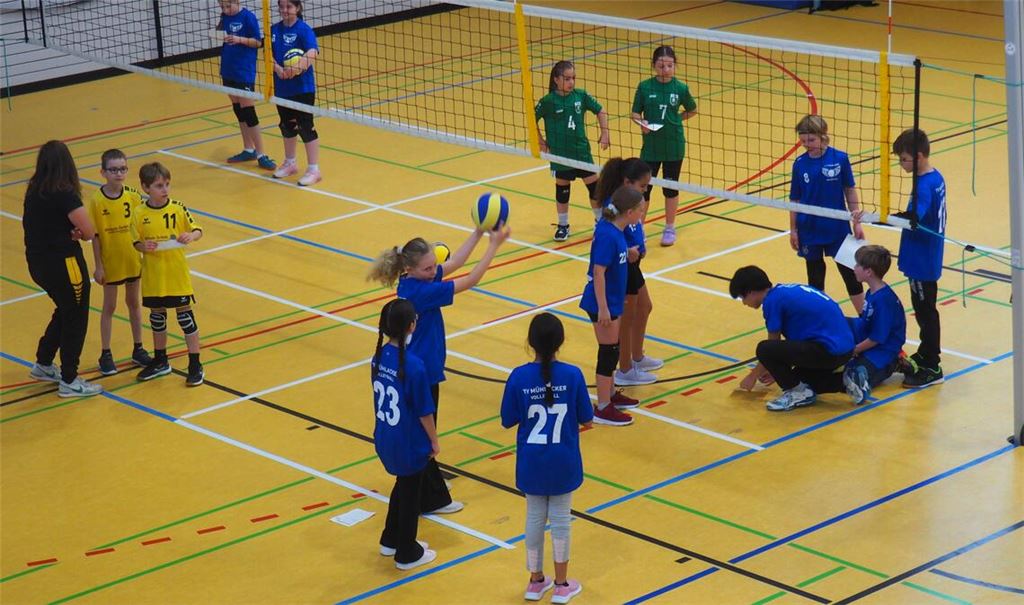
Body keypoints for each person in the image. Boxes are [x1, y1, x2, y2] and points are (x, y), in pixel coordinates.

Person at [367, 225, 511, 514]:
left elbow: (456, 262)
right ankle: (432, 498)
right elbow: (469, 279)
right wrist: (494, 246)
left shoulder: (413, 280)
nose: (434, 271)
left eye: (434, 266)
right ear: (409, 267)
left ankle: (430, 486)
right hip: (422, 368)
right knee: (425, 429)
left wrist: (479, 231)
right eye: (428, 268)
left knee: (424, 430)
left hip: (421, 364)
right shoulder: (423, 291)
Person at [501, 313, 591, 604]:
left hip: (531, 462)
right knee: (561, 520)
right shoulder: (573, 375)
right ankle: (562, 584)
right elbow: (587, 418)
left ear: (530, 343)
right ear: (560, 342)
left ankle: (536, 581)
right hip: (563, 461)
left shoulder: (518, 377)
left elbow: (508, 418)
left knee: (534, 518)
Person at [23, 140, 102, 397]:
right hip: (64, 264)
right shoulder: (64, 193)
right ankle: (70, 378)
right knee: (76, 315)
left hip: (37, 263)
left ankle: (44, 363)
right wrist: (78, 233)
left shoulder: (34, 190)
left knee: (66, 309)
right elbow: (89, 231)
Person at [372, 298, 439, 571]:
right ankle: (406, 552)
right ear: (412, 325)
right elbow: (424, 410)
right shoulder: (413, 366)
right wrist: (434, 440)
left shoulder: (379, 357)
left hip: (385, 434)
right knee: (411, 492)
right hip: (408, 441)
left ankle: (390, 538)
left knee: (404, 484)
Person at [730, 265, 854, 412]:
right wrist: (776, 371)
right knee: (799, 379)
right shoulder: (786, 291)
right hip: (845, 350)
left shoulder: (772, 302)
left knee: (764, 349)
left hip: (827, 350)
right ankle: (847, 381)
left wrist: (753, 376)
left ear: (751, 292)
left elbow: (772, 345)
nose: (744, 303)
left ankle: (797, 393)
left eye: (743, 298)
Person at [131, 162, 205, 387]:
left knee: (184, 316)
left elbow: (197, 229)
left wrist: (190, 236)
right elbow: (136, 243)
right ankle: (161, 360)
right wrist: (145, 246)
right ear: (145, 188)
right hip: (154, 276)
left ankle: (195, 364)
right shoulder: (139, 213)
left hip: (176, 274)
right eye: (159, 186)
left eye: (167, 185)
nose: (165, 190)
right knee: (157, 317)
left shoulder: (177, 208)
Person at [593, 158, 660, 391]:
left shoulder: (631, 201)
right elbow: (609, 234)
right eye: (642, 186)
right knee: (628, 316)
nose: (645, 190)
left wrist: (641, 244)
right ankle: (624, 370)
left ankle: (637, 357)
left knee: (645, 307)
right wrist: (628, 249)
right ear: (627, 182)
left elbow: (634, 227)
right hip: (623, 266)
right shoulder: (616, 205)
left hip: (632, 263)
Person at [580, 187, 645, 426]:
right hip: (602, 302)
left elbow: (611, 254)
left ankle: (611, 393)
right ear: (629, 212)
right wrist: (604, 308)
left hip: (612, 299)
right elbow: (598, 273)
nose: (642, 214)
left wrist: (627, 252)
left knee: (613, 348)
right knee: (608, 352)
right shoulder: (608, 234)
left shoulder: (616, 231)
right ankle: (604, 407)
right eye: (640, 210)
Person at [789, 115, 866, 313]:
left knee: (851, 275)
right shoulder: (799, 164)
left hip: (837, 227)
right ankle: (819, 319)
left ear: (823, 136)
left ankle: (865, 317)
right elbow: (795, 200)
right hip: (809, 229)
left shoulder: (840, 158)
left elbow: (849, 189)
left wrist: (856, 221)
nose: (807, 145)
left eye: (811, 140)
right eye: (803, 141)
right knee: (815, 278)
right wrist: (793, 230)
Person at [87, 149, 153, 375]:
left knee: (134, 304)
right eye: (113, 169)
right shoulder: (96, 201)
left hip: (132, 259)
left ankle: (138, 348)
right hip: (111, 262)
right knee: (110, 306)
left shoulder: (133, 196)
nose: (119, 173)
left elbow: (141, 227)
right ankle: (105, 353)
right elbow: (95, 236)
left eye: (122, 169)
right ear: (103, 172)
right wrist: (98, 266)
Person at [892, 128, 947, 387]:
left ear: (919, 156)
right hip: (926, 253)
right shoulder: (936, 177)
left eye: (903, 159)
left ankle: (932, 365)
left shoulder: (923, 185)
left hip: (921, 257)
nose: (900, 163)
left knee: (926, 312)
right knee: (924, 309)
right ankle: (926, 353)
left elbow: (914, 218)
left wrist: (882, 217)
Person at [534, 60, 610, 242]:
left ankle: (600, 222)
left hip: (581, 152)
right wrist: (540, 141)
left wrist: (605, 132)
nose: (571, 82)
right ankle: (562, 225)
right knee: (562, 189)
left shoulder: (581, 96)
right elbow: (531, 118)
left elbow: (600, 111)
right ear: (556, 79)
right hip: (560, 154)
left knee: (595, 188)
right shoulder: (547, 102)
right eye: (567, 78)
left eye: (573, 78)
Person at [630, 45, 697, 247]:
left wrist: (676, 119)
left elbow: (692, 110)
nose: (665, 69)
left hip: (674, 146)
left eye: (669, 66)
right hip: (650, 147)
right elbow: (634, 114)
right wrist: (642, 124)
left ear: (675, 66)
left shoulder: (681, 88)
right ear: (654, 66)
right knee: (644, 189)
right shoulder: (644, 87)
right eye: (661, 66)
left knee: (670, 188)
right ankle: (639, 228)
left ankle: (669, 227)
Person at [841, 245, 907, 404]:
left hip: (882, 349)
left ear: (868, 272)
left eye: (857, 265)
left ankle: (893, 363)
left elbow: (877, 338)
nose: (854, 268)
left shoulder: (883, 301)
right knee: (835, 324)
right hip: (865, 333)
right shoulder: (872, 292)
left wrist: (853, 350)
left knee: (852, 376)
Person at [217, 0, 276, 170]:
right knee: (238, 109)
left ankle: (261, 154)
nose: (225, 10)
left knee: (248, 111)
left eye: (228, 6)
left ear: (236, 1)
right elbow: (220, 32)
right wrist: (218, 34)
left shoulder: (248, 17)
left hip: (244, 70)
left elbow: (258, 42)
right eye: (222, 7)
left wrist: (239, 39)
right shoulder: (224, 16)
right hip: (227, 68)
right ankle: (248, 149)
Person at [270, 0, 321, 186]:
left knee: (305, 126)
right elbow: (269, 54)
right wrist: (277, 69)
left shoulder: (304, 29)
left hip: (302, 87)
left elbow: (312, 52)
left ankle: (314, 169)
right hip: (282, 86)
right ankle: (290, 163)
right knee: (286, 125)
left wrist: (296, 69)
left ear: (297, 8)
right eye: (282, 7)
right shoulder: (274, 29)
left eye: (289, 7)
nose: (285, 10)